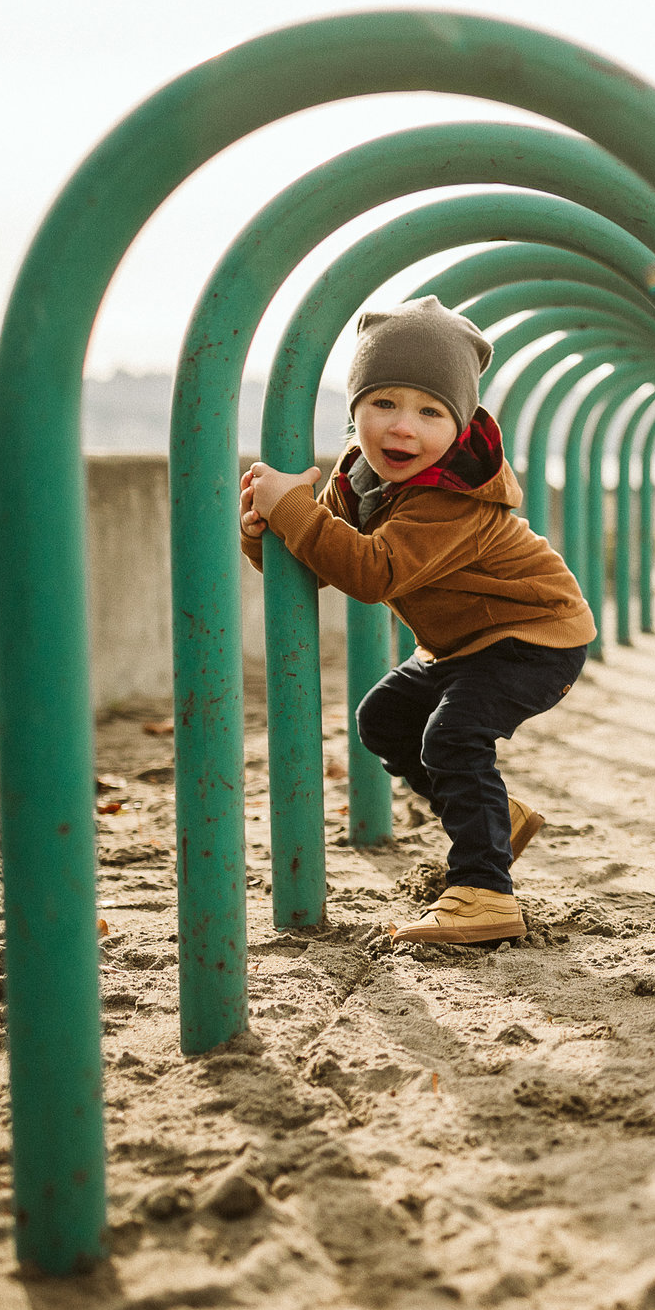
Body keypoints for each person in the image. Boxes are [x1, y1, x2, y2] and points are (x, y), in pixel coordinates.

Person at [241, 296, 596, 945]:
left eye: (430, 411)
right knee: (385, 718)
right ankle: (493, 820)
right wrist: (267, 529)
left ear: (459, 426)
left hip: (536, 634)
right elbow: (321, 558)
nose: (403, 428)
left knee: (452, 736)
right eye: (383, 403)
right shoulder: (360, 475)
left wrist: (296, 512)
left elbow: (370, 574)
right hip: (464, 641)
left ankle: (485, 891)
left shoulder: (449, 496)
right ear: (354, 410)